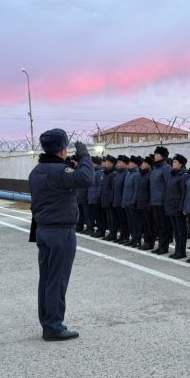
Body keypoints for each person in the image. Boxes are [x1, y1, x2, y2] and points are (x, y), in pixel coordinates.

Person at [28, 129, 93, 341]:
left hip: (43, 229)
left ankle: (47, 321)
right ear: (63, 149)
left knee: (46, 278)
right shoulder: (59, 171)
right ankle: (54, 326)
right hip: (61, 231)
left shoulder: (37, 171)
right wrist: (85, 157)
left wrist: (71, 166)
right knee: (58, 279)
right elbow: (85, 178)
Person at [149, 146, 172, 254]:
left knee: (164, 225)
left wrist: (166, 201)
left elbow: (168, 185)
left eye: (157, 154)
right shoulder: (155, 169)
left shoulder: (166, 168)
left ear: (162, 156)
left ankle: (164, 246)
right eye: (155, 154)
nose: (155, 156)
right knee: (158, 225)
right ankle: (160, 246)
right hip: (154, 201)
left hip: (162, 201)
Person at [166, 154, 189, 259]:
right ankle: (177, 250)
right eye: (173, 162)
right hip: (171, 206)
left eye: (175, 162)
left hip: (178, 207)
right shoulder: (173, 175)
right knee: (175, 231)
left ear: (181, 164)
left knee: (181, 231)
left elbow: (184, 193)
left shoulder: (183, 176)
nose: (173, 164)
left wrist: (182, 208)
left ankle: (181, 251)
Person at [122, 155, 142, 247]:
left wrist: (133, 201)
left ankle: (137, 239)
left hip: (132, 203)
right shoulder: (128, 174)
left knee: (135, 222)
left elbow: (136, 190)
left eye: (130, 163)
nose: (128, 164)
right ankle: (133, 238)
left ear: (135, 165)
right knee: (130, 222)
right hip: (126, 202)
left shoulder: (136, 175)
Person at [137, 155, 155, 250]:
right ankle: (146, 241)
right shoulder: (142, 175)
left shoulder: (150, 175)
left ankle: (149, 243)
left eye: (145, 163)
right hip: (141, 203)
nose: (142, 165)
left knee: (149, 225)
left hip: (147, 204)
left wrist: (149, 203)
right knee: (144, 224)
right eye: (142, 163)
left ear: (149, 165)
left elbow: (151, 191)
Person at [111, 155, 129, 244]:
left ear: (125, 164)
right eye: (117, 162)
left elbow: (124, 189)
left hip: (122, 201)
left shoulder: (126, 174)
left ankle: (125, 236)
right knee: (120, 220)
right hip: (117, 200)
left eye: (120, 162)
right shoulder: (118, 173)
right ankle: (122, 235)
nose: (118, 164)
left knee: (124, 220)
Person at [100, 155, 117, 240]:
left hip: (109, 200)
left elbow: (113, 189)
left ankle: (113, 233)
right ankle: (110, 233)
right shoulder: (106, 173)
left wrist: (111, 199)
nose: (105, 163)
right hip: (105, 199)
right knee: (108, 218)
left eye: (107, 162)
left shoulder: (113, 174)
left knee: (112, 218)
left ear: (112, 164)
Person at [86, 156, 104, 236]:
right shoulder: (94, 171)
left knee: (99, 216)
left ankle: (100, 230)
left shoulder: (99, 172)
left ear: (95, 163)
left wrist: (98, 196)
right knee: (94, 215)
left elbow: (100, 185)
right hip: (91, 197)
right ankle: (97, 230)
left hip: (96, 198)